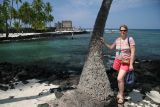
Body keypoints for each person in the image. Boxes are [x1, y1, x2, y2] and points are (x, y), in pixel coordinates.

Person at [100, 25, 136, 104]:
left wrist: (131, 64)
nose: (122, 32)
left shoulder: (130, 39)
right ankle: (120, 92)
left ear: (127, 31)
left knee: (119, 78)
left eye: (124, 30)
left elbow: (133, 52)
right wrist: (104, 42)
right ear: (119, 31)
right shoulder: (117, 40)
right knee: (121, 79)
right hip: (117, 61)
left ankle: (121, 96)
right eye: (121, 30)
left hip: (125, 62)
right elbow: (111, 47)